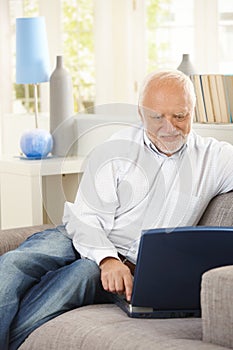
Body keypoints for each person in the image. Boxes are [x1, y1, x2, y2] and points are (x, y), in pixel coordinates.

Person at [1, 70, 233, 350]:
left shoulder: (215, 158)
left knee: (80, 276)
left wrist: (112, 264)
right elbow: (85, 218)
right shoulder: (115, 149)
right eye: (157, 116)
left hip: (127, 264)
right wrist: (107, 259)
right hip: (81, 233)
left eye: (180, 116)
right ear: (140, 112)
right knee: (15, 263)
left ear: (194, 112)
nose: (169, 127)